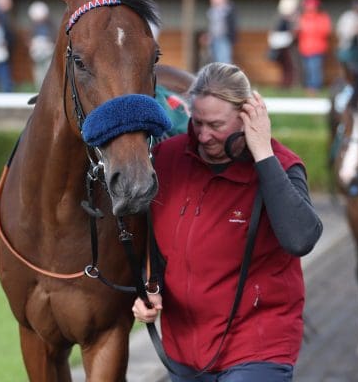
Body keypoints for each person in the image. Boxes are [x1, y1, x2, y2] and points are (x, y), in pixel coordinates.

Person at [132, 62, 323, 381]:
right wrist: (148, 289)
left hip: (258, 347)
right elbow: (152, 241)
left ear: (249, 118)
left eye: (216, 125)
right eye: (198, 122)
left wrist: (263, 153)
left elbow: (301, 239)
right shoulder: (167, 158)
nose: (204, 136)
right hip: (184, 351)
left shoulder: (282, 165)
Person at [296, 0, 331, 95]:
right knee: (307, 69)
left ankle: (315, 87)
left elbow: (325, 31)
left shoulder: (322, 17)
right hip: (304, 48)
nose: (308, 8)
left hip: (317, 48)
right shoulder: (302, 17)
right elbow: (297, 31)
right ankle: (309, 87)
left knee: (315, 69)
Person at [268, 0, 299, 88]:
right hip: (283, 46)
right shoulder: (283, 19)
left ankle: (286, 84)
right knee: (287, 66)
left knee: (287, 66)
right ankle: (286, 84)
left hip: (283, 46)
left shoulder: (280, 18)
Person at [27, 0, 56, 89]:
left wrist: (49, 44)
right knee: (38, 74)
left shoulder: (51, 26)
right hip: (37, 55)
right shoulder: (32, 27)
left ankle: (50, 89)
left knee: (49, 72)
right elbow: (29, 40)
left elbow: (54, 38)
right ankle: (40, 90)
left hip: (48, 54)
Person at [206, 0, 237, 64]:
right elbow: (212, 25)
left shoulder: (228, 9)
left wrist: (232, 37)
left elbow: (232, 25)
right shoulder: (213, 10)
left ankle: (225, 75)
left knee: (224, 59)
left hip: (224, 37)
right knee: (215, 59)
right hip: (214, 38)